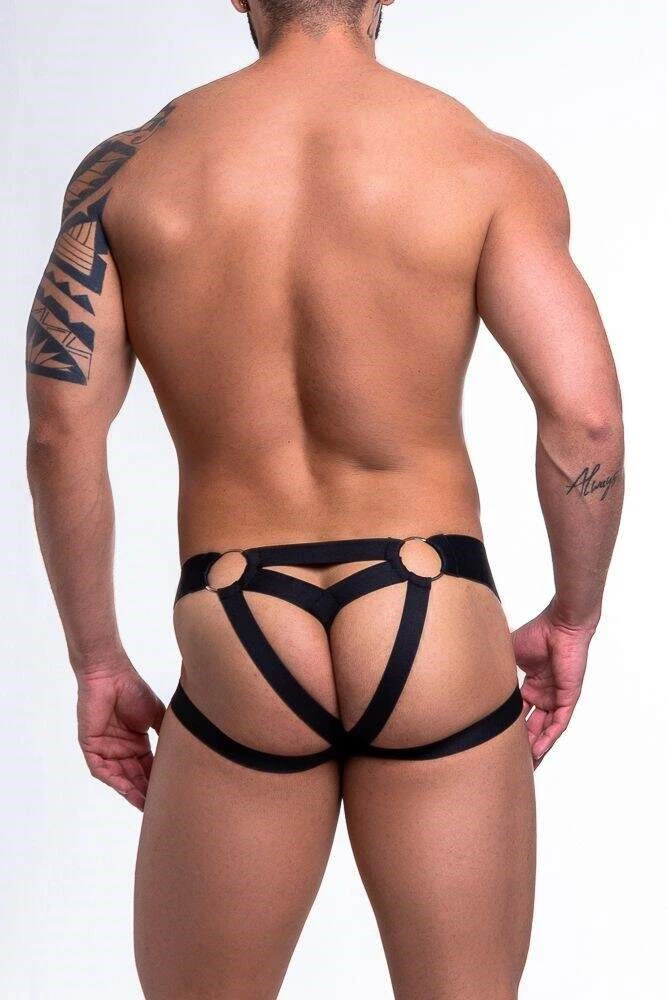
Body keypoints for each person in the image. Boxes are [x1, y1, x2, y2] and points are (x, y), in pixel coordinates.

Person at [25, 1, 624, 997]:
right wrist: (573, 613)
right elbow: (586, 421)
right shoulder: (483, 163)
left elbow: (59, 434)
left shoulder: (128, 174)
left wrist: (97, 660)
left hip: (239, 618)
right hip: (430, 609)